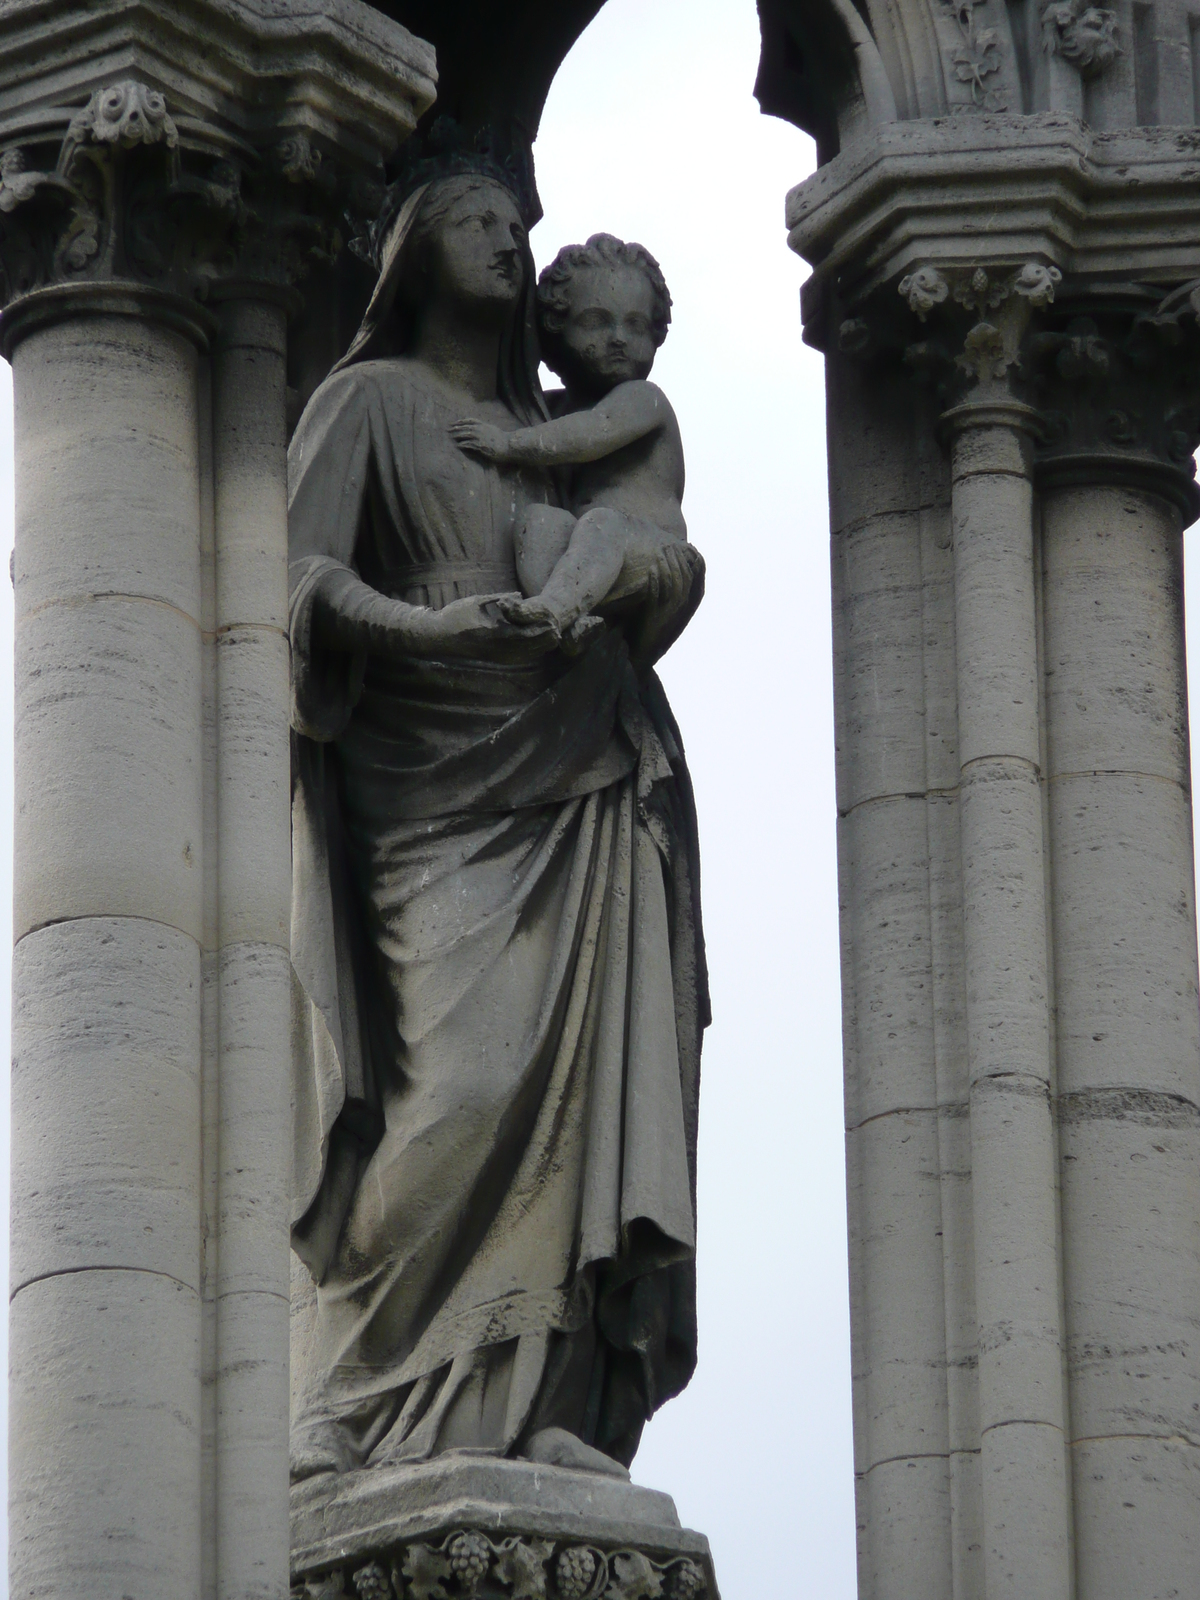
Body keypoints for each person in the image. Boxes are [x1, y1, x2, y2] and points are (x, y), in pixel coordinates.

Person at [286, 156, 709, 1484]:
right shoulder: (368, 405)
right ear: (417, 248)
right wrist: (428, 627)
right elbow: (298, 580)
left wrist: (642, 581)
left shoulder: (562, 431)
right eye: (478, 222)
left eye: (520, 228)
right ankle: (358, 1398)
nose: (510, 245)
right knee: (450, 1094)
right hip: (429, 783)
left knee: (572, 1099)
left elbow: (648, 547)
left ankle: (539, 1403)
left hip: (580, 766)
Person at [449, 234, 694, 654]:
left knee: (603, 523)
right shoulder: (547, 409)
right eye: (598, 321)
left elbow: (589, 435)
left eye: (635, 324)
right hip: (588, 559)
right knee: (539, 522)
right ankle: (566, 626)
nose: (619, 337)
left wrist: (509, 445)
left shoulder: (643, 398)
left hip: (651, 550)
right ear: (556, 329)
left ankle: (555, 609)